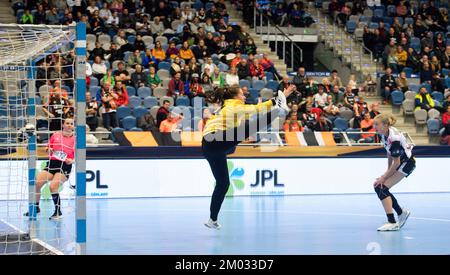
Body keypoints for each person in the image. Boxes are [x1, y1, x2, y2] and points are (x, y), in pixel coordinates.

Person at [202, 85, 295, 229]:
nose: (245, 96)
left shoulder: (231, 107)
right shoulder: (234, 107)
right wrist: (277, 102)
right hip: (215, 139)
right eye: (242, 94)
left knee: (223, 184)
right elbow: (258, 109)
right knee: (252, 126)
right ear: (235, 96)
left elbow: (255, 111)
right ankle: (279, 109)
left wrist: (283, 96)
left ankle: (212, 220)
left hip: (211, 148)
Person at [24, 118, 75, 220]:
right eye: (67, 123)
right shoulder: (55, 135)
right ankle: (36, 207)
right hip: (52, 163)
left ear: (73, 126)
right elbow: (48, 147)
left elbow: (79, 155)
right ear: (63, 125)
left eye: (71, 124)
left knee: (53, 186)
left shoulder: (76, 139)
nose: (69, 125)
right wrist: (48, 149)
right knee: (36, 183)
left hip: (65, 165)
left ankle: (57, 212)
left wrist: (72, 160)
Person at [373, 114, 414, 231]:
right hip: (400, 162)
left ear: (385, 125)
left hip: (406, 163)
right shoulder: (384, 134)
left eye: (377, 124)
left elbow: (396, 162)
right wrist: (387, 172)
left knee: (381, 187)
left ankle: (392, 222)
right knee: (380, 186)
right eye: (374, 124)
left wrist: (384, 177)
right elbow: (389, 152)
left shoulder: (394, 138)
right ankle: (401, 213)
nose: (374, 127)